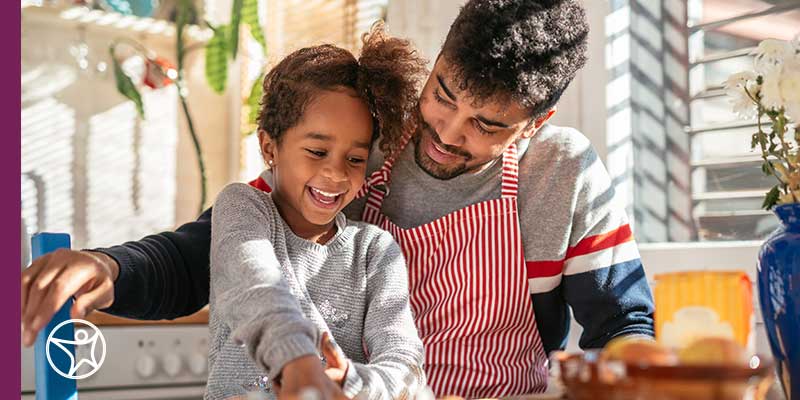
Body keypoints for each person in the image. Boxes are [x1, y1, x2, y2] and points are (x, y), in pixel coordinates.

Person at [22, 1, 655, 398]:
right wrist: (112, 267)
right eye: (443, 93)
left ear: (535, 122)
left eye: (486, 125)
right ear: (436, 62)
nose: (445, 133)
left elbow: (623, 326)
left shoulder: (561, 172)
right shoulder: (360, 147)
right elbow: (219, 251)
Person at [203, 25, 426, 400]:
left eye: (355, 159)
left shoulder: (374, 250)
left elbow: (405, 363)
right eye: (317, 152)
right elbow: (258, 287)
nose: (336, 174)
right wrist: (299, 364)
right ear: (270, 147)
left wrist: (349, 382)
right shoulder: (243, 208)